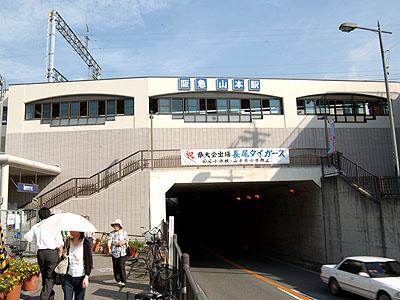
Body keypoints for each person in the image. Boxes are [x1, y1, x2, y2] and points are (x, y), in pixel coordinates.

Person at [24, 207, 64, 300]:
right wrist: (60, 255)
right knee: (50, 277)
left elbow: (27, 237)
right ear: (49, 215)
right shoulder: (54, 226)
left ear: (39, 216)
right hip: (52, 253)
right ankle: (44, 297)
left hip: (41, 253)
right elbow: (60, 243)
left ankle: (50, 296)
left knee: (45, 275)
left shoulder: (36, 226)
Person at [63, 231, 93, 300]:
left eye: (74, 230)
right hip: (68, 275)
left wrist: (87, 276)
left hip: (81, 276)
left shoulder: (85, 242)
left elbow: (89, 260)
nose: (71, 231)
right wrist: (64, 255)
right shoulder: (68, 241)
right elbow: (64, 257)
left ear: (79, 231)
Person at [108, 218, 129, 287]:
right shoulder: (112, 233)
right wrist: (109, 248)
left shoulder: (124, 232)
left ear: (120, 226)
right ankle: (118, 280)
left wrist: (123, 242)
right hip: (114, 251)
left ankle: (123, 280)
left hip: (122, 252)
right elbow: (109, 241)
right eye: (114, 225)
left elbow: (127, 240)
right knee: (115, 266)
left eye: (116, 225)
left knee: (121, 266)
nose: (115, 226)